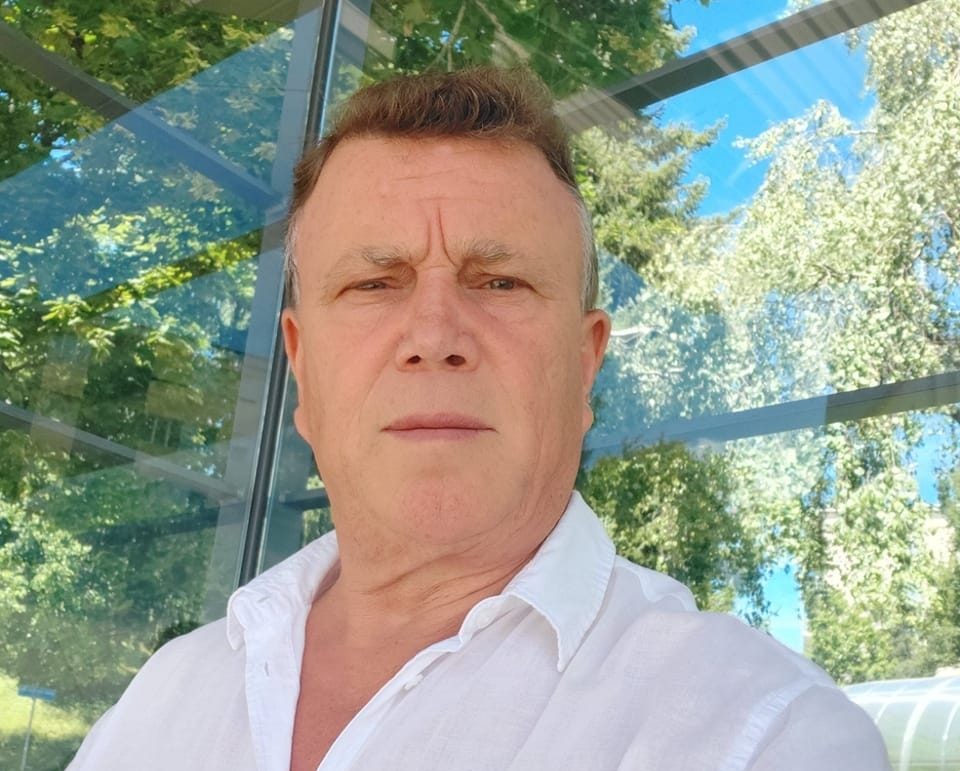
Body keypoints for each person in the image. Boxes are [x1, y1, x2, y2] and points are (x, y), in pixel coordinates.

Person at [68, 66, 890, 771]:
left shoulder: (765, 735)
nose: (434, 335)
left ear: (584, 363)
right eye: (373, 284)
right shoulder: (160, 699)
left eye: (500, 282)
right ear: (302, 365)